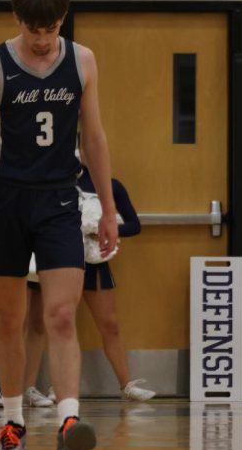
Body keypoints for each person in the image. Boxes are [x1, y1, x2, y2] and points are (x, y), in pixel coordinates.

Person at [0, 0, 118, 450]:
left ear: (61, 20)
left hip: (60, 200)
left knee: (62, 314)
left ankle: (69, 420)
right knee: (10, 319)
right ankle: (12, 424)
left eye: (50, 29)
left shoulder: (83, 60)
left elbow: (93, 139)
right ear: (18, 19)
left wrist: (109, 208)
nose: (43, 39)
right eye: (34, 30)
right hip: (7, 199)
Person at [22, 166, 155, 406]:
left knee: (109, 323)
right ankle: (33, 388)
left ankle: (126, 385)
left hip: (94, 260)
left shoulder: (109, 186)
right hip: (55, 259)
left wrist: (101, 229)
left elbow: (134, 224)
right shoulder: (48, 183)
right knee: (40, 323)